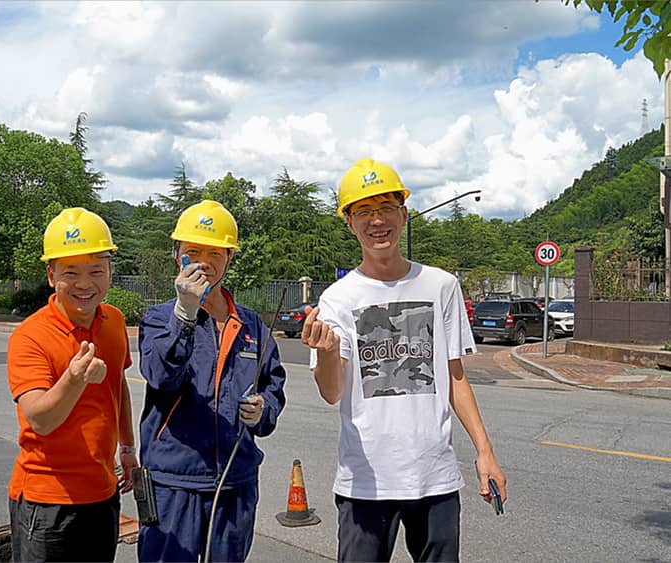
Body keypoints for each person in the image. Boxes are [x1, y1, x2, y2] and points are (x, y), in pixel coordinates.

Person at [302, 158, 507, 563]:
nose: (377, 220)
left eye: (386, 208)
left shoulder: (441, 285)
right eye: (364, 211)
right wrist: (326, 352)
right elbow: (331, 392)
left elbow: (455, 377)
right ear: (349, 222)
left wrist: (485, 451)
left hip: (435, 478)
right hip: (365, 483)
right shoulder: (338, 299)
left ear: (404, 214)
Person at [137, 200, 287, 562]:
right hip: (174, 481)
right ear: (177, 255)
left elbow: (273, 385)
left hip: (236, 480)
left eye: (214, 253)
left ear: (229, 258)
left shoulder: (251, 325)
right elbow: (160, 375)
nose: (203, 261)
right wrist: (184, 314)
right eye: (193, 252)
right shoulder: (158, 319)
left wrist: (264, 409)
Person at [6, 207, 138, 562]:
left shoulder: (114, 321)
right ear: (51, 276)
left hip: (103, 493)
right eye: (71, 273)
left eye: (96, 271)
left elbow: (118, 385)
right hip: (47, 502)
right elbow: (39, 419)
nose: (84, 284)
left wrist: (127, 447)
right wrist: (74, 379)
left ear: (110, 272)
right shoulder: (30, 336)